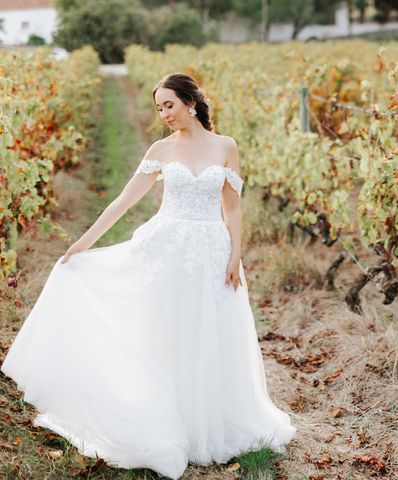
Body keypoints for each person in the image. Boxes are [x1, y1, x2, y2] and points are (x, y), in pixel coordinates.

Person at [1, 73, 296, 479]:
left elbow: (233, 208)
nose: (164, 115)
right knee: (163, 331)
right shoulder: (161, 149)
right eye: (159, 108)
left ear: (191, 102)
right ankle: (164, 420)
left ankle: (208, 424)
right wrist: (83, 243)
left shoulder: (225, 147)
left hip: (211, 250)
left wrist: (235, 256)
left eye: (169, 105)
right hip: (165, 247)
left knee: (208, 333)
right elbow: (125, 200)